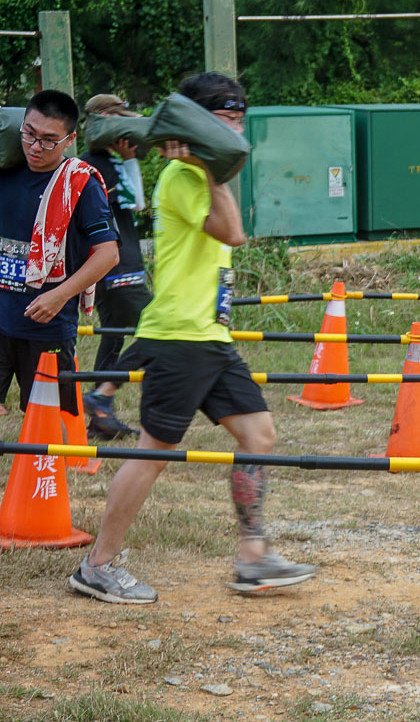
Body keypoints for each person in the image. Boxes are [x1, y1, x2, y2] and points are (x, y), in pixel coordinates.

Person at [69, 72, 314, 605]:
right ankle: (97, 565)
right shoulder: (184, 175)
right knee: (153, 453)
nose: (235, 131)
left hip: (209, 336)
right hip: (181, 336)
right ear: (200, 125)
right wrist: (210, 167)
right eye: (225, 120)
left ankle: (252, 557)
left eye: (239, 121)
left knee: (259, 435)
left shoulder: (198, 174)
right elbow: (233, 232)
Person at [0, 90, 119, 419]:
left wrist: (59, 295)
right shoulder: (5, 168)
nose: (35, 147)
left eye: (49, 140)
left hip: (46, 326)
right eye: (29, 134)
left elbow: (107, 254)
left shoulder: (79, 184)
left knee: (49, 423)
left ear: (70, 139)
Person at [78, 94, 152, 440]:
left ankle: (100, 418)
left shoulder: (88, 162)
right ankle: (100, 395)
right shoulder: (99, 164)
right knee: (158, 331)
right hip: (122, 267)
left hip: (106, 268)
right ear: (106, 119)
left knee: (113, 338)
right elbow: (136, 203)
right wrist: (129, 161)